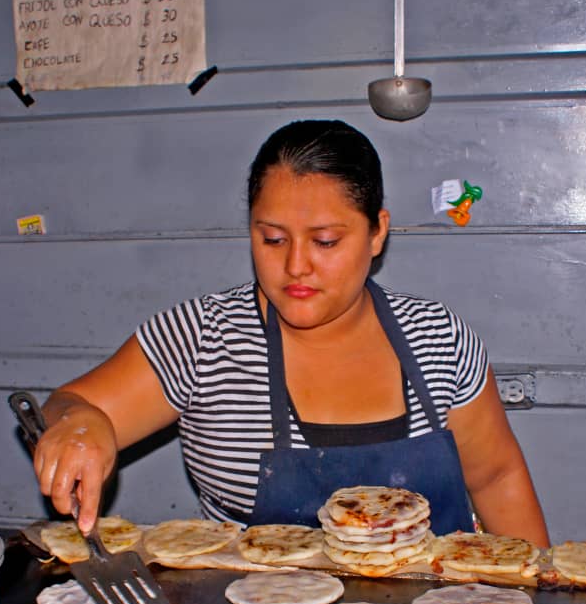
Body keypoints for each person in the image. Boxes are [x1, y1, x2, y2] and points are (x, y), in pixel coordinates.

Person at [30, 119, 550, 547]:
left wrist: (546, 601)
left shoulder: (438, 337)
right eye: (273, 238)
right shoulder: (202, 338)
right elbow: (72, 403)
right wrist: (80, 425)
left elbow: (496, 478)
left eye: (325, 242)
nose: (296, 265)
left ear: (377, 233)